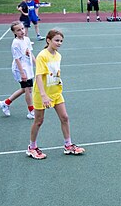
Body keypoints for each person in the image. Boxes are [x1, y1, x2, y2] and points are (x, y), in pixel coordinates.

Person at [27, 29, 85, 160]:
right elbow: (39, 76)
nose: (59, 43)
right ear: (48, 40)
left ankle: (68, 145)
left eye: (61, 41)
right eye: (57, 40)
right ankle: (32, 147)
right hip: (42, 94)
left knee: (64, 117)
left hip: (56, 92)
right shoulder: (42, 56)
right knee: (39, 121)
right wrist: (43, 95)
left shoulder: (58, 55)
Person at [0, 21, 36, 120]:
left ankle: (5, 103)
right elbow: (17, 59)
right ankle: (31, 111)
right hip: (20, 69)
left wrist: (37, 63)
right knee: (27, 89)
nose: (22, 31)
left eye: (22, 29)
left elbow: (30, 53)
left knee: (26, 89)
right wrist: (22, 73)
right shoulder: (15, 43)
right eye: (18, 30)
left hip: (28, 67)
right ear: (14, 32)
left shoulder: (27, 39)